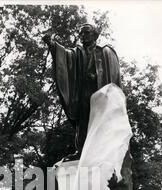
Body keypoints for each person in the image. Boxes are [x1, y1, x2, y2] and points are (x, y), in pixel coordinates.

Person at [43, 23, 121, 159]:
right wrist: (52, 45)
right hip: (83, 94)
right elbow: (65, 56)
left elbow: (113, 76)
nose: (82, 36)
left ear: (95, 35)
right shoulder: (77, 53)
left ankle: (103, 151)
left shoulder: (104, 52)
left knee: (99, 122)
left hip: (100, 93)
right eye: (81, 34)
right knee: (83, 123)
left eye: (86, 33)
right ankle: (82, 152)